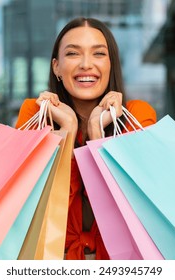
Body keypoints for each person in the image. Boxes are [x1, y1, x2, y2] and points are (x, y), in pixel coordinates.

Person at [15, 17, 157, 260]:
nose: (86, 64)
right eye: (73, 54)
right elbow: (31, 210)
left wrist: (96, 134)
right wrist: (67, 132)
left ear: (111, 64)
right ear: (56, 67)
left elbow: (134, 211)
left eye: (98, 54)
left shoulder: (137, 116)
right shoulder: (34, 115)